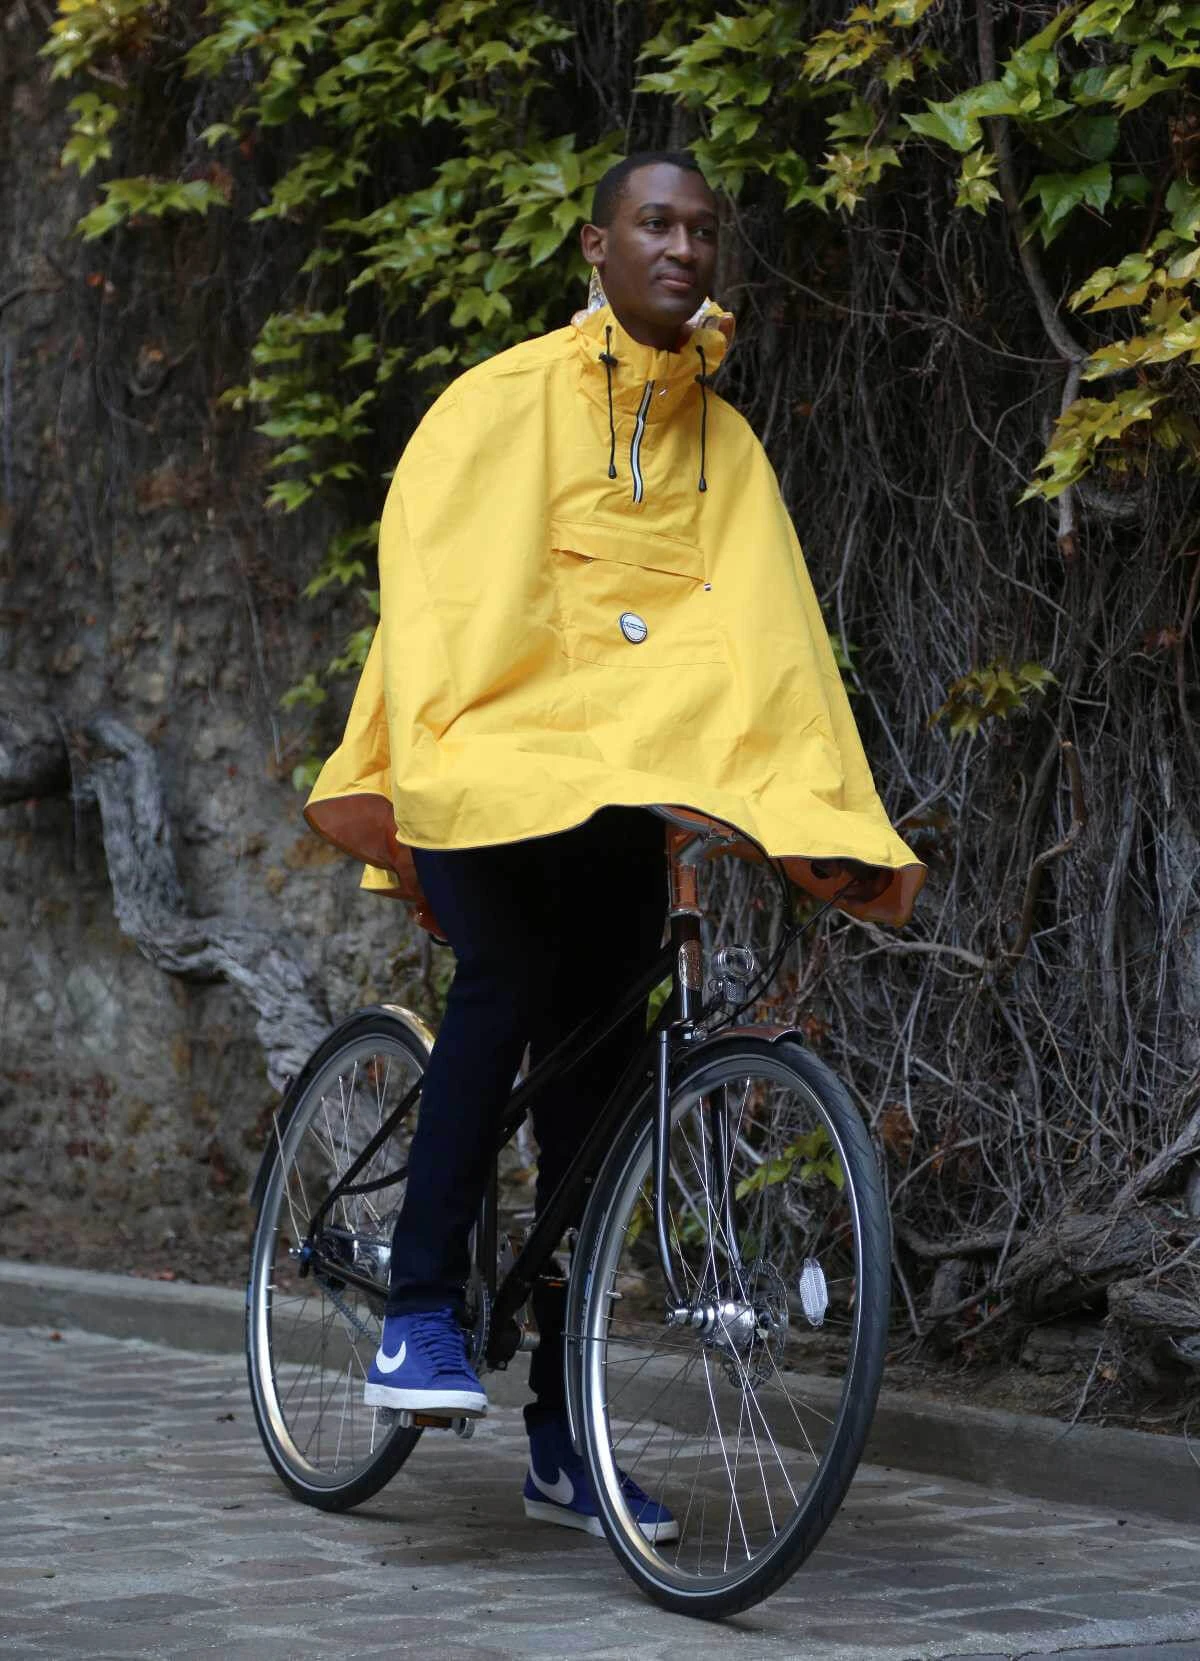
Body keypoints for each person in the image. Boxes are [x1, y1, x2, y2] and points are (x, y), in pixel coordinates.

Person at [304, 151, 924, 1538]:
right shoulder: (500, 405)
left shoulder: (728, 446)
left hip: (619, 808)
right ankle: (414, 1309)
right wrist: (514, 751)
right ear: (598, 244)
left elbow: (769, 645)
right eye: (657, 222)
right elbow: (452, 604)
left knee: (598, 1096)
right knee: (508, 984)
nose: (685, 247)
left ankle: (562, 1438)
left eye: (706, 227)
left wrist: (790, 805)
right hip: (486, 776)